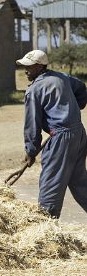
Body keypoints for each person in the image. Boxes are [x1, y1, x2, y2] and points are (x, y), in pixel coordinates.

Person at [17, 49, 87, 218]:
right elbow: (82, 88)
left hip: (61, 139)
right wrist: (72, 109)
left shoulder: (34, 90)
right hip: (78, 133)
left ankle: (45, 225)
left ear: (39, 67)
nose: (25, 70)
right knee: (79, 182)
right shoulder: (63, 77)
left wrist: (31, 151)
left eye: (29, 67)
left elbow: (31, 124)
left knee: (51, 182)